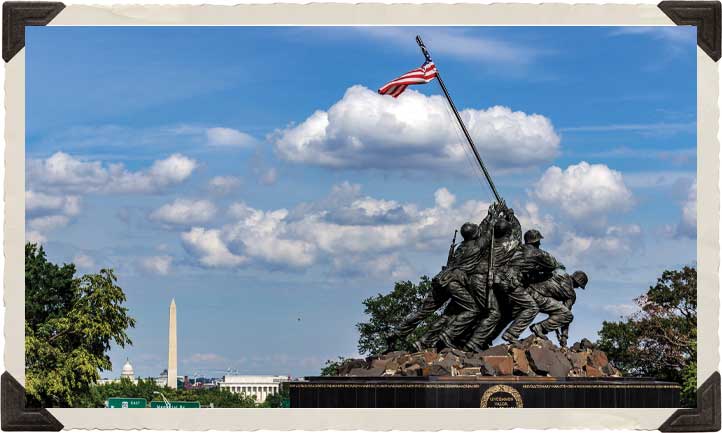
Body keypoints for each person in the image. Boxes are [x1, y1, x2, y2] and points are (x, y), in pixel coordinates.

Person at [462, 202, 522, 352]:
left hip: (472, 278)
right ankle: (473, 342)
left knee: (480, 310)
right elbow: (518, 233)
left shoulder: (486, 242)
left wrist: (491, 215)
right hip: (483, 279)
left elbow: (480, 231)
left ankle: (466, 338)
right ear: (507, 233)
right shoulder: (508, 244)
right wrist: (511, 216)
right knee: (494, 313)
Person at [496, 229, 565, 344]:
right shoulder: (537, 253)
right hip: (510, 283)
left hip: (498, 279)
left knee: (503, 312)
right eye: (539, 241)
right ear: (536, 241)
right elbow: (553, 265)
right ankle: (511, 334)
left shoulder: (516, 248)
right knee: (532, 308)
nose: (540, 243)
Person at [528, 270, 588, 347]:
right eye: (579, 286)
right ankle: (540, 327)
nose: (577, 288)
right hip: (539, 298)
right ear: (577, 283)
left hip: (527, 291)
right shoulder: (571, 294)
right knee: (567, 315)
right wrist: (564, 336)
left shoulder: (559, 272)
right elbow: (566, 315)